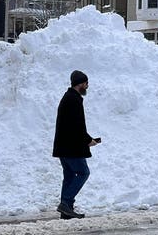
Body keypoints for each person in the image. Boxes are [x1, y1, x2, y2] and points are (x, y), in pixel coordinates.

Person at [52, 70, 100, 219]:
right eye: (86, 83)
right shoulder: (74, 100)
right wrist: (87, 141)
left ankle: (67, 211)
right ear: (80, 84)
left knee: (70, 176)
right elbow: (77, 126)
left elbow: (74, 125)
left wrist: (89, 139)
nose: (87, 86)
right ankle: (66, 203)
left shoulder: (68, 98)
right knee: (83, 173)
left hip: (63, 146)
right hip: (71, 147)